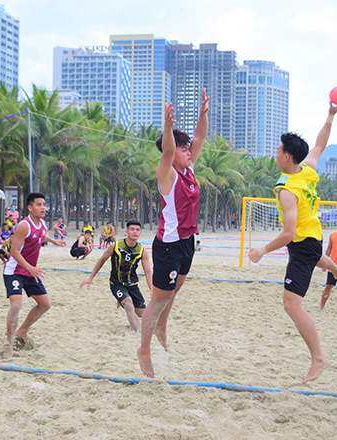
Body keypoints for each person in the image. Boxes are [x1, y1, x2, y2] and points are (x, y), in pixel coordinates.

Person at [248, 99, 337, 383]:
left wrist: (262, 251)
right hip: (314, 237)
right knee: (313, 257)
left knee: (291, 304)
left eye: (279, 150)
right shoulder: (308, 170)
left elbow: (289, 234)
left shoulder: (287, 190)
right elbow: (320, 144)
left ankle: (319, 358)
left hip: (303, 243)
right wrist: (330, 114)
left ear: (287, 157)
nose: (276, 153)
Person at [137, 88, 209, 378]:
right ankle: (143, 348)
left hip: (188, 242)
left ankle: (162, 326)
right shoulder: (167, 173)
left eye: (187, 147)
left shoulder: (189, 169)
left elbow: (200, 137)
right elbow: (168, 149)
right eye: (183, 148)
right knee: (158, 298)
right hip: (167, 245)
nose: (188, 150)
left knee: (173, 292)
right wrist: (168, 127)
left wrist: (203, 114)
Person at [2, 192, 66, 359]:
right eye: (39, 204)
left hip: (30, 271)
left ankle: (22, 330)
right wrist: (30, 268)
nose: (43, 207)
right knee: (16, 305)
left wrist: (54, 241)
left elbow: (41, 234)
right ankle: (8, 345)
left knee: (45, 304)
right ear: (30, 208)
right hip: (15, 271)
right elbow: (14, 251)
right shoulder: (24, 225)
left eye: (44, 204)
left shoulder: (42, 223)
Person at [80, 220, 152, 332]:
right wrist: (91, 277)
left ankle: (121, 299)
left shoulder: (142, 251)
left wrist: (152, 289)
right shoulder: (115, 246)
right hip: (116, 283)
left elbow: (148, 272)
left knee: (142, 313)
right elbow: (102, 260)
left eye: (137, 230)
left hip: (132, 284)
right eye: (132, 229)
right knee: (128, 304)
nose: (135, 232)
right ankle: (139, 333)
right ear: (127, 231)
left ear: (140, 233)